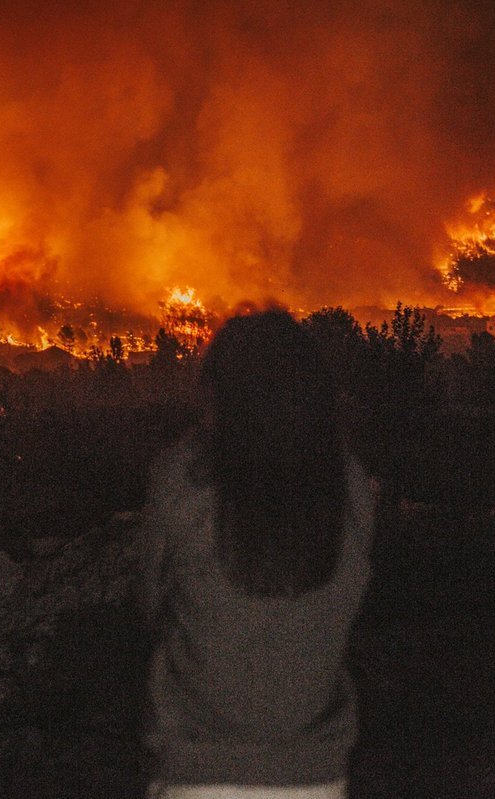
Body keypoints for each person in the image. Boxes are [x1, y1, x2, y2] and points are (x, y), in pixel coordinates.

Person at [136, 309, 375, 799]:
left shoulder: (185, 481)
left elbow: (147, 602)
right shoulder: (348, 489)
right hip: (316, 775)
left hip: (202, 770)